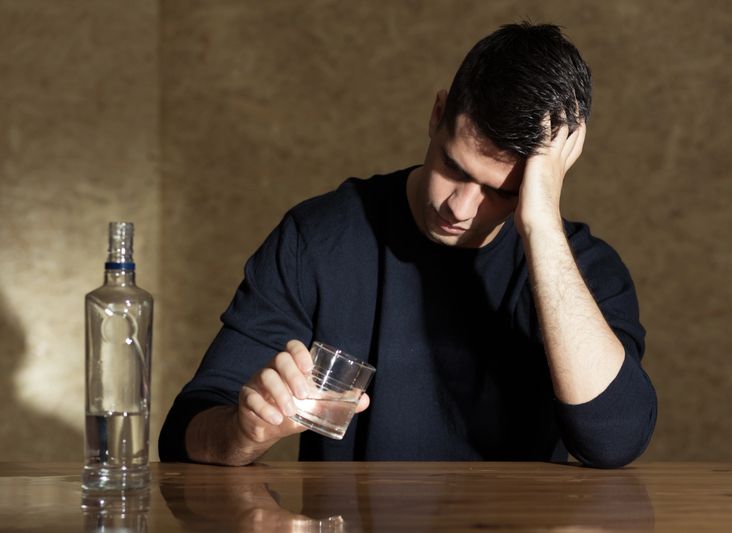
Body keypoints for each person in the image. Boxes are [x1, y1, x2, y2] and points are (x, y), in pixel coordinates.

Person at [159, 22, 657, 468]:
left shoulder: (582, 269)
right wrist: (243, 434)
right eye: (455, 167)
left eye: (502, 192)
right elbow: (187, 430)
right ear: (438, 113)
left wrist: (542, 226)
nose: (461, 207)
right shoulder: (320, 238)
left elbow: (613, 442)